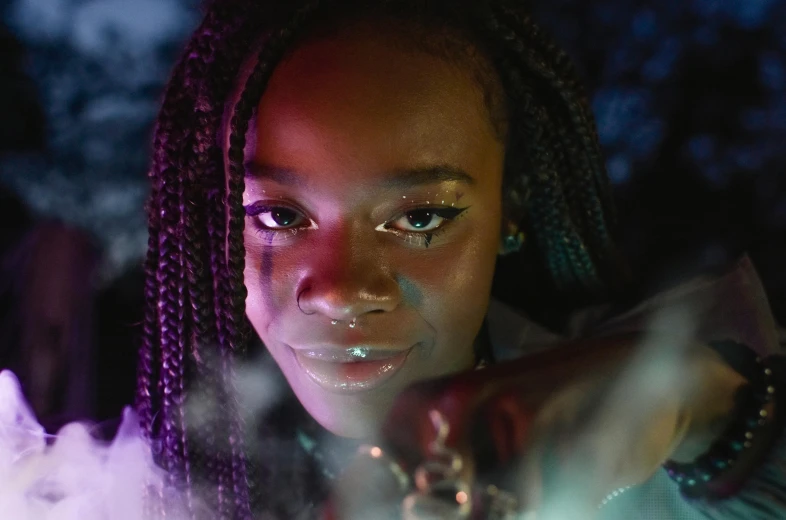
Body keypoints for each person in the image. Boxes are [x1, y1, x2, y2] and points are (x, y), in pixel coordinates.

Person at [136, 0, 786, 518]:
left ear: (510, 213)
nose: (340, 291)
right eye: (280, 217)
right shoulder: (128, 482)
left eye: (419, 218)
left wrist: (703, 408)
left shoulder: (661, 472)